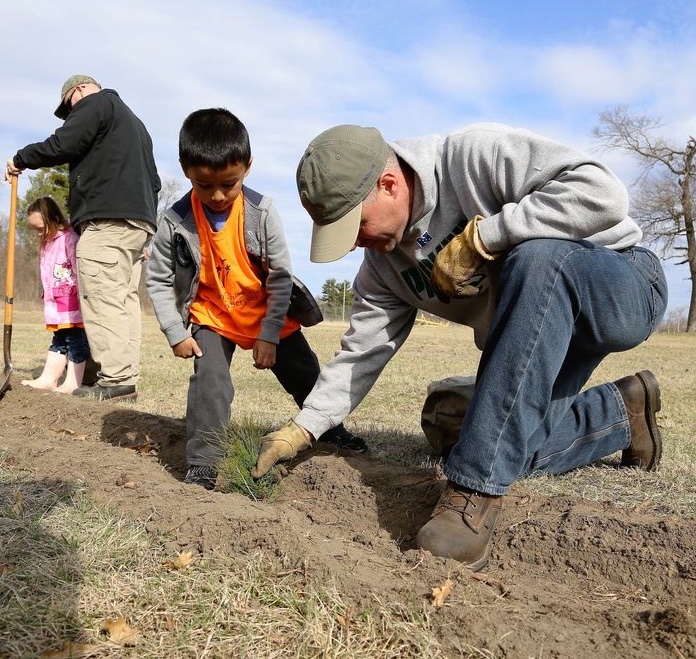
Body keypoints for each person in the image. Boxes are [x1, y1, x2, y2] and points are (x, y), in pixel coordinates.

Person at [253, 123, 668, 571]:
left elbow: (604, 194)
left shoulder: (473, 157)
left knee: (539, 257)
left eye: (356, 225)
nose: (354, 244)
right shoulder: (382, 269)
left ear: (388, 185)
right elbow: (361, 352)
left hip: (619, 283)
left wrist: (486, 237)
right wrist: (305, 427)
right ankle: (622, 412)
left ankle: (473, 493)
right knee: (504, 445)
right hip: (544, 338)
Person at [146, 108, 366, 489]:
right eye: (203, 185)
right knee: (210, 382)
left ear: (247, 167)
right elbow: (158, 277)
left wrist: (269, 333)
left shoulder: (262, 214)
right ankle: (203, 461)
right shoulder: (174, 221)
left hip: (267, 313)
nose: (216, 195)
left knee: (306, 374)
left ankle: (331, 431)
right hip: (213, 315)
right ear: (186, 170)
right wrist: (174, 330)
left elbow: (280, 278)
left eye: (228, 184)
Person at [6, 75, 160, 402]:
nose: (70, 114)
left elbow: (64, 143)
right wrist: (147, 226)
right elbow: (155, 182)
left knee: (103, 298)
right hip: (138, 222)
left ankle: (116, 380)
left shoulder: (95, 103)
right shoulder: (135, 123)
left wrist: (21, 158)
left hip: (107, 221)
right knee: (123, 302)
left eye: (68, 108)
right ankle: (125, 379)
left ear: (78, 91)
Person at [21, 197, 90, 393]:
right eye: (35, 229)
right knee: (59, 339)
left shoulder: (69, 240)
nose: (38, 233)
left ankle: (73, 382)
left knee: (76, 340)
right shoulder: (47, 243)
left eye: (41, 227)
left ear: (55, 219)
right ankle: (49, 378)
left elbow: (78, 270)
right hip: (55, 303)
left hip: (71, 302)